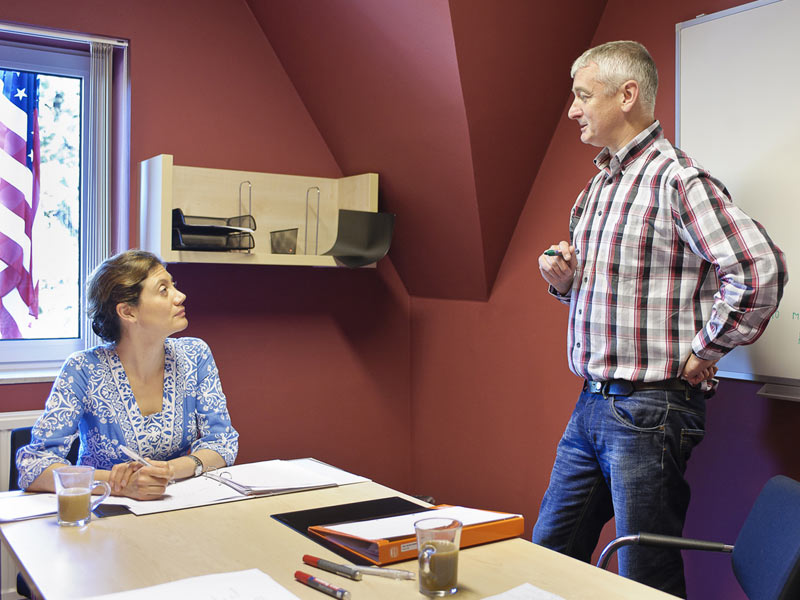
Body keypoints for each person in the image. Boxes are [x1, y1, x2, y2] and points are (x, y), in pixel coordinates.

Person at [533, 41, 787, 597]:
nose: (572, 110)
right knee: (548, 553)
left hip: (650, 408)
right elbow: (616, 293)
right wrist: (565, 281)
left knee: (644, 574)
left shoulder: (678, 182)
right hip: (591, 402)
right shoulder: (598, 187)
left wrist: (707, 349)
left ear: (627, 95)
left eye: (582, 96)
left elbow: (759, 269)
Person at [16, 250, 239, 500]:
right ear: (127, 312)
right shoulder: (82, 369)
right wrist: (119, 484)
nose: (180, 296)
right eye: (163, 290)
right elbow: (34, 468)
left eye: (173, 285)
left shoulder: (195, 355)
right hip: (104, 510)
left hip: (176, 505)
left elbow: (222, 442)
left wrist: (169, 471)